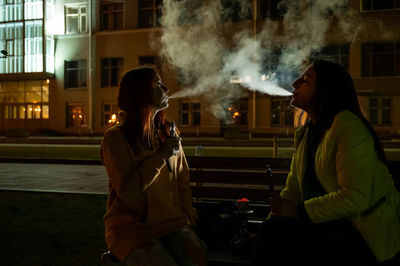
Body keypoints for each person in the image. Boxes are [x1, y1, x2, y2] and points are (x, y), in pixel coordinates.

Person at [252, 60, 400, 266]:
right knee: (270, 232)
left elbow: (356, 197)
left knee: (275, 237)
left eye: (305, 80)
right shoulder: (307, 133)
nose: (294, 84)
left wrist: (297, 212)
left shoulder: (347, 126)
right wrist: (273, 216)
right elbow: (292, 191)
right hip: (325, 225)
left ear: (325, 90)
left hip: (361, 233)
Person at [101, 67, 207, 266]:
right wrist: (160, 156)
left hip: (172, 224)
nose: (166, 88)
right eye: (158, 83)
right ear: (142, 94)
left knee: (197, 257)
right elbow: (129, 191)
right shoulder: (115, 139)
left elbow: (182, 180)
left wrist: (188, 218)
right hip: (132, 229)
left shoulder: (168, 133)